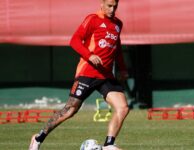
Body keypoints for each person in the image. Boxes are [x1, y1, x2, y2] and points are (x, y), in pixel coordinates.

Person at [28, 0, 129, 149]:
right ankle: (38, 138)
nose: (112, 9)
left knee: (123, 107)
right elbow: (74, 41)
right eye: (109, 5)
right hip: (87, 73)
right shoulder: (92, 19)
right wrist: (90, 55)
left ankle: (109, 145)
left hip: (106, 75)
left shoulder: (117, 24)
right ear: (102, 4)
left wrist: (122, 68)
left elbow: (117, 48)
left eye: (115, 6)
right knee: (70, 110)